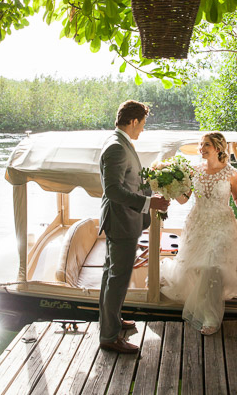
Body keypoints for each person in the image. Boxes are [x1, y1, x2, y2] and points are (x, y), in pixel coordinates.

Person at [98, 100, 169, 354]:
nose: (143, 130)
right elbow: (114, 190)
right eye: (143, 124)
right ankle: (109, 337)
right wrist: (150, 202)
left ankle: (112, 322)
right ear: (133, 121)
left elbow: (130, 180)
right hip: (121, 222)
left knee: (112, 276)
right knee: (117, 279)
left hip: (122, 220)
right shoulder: (117, 147)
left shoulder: (120, 142)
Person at [159, 132, 237, 335]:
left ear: (217, 147)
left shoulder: (231, 173)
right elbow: (184, 199)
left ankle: (211, 317)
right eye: (200, 145)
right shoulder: (195, 171)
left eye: (206, 144)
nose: (201, 148)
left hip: (222, 224)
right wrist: (166, 188)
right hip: (198, 222)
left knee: (212, 266)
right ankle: (205, 302)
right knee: (197, 267)